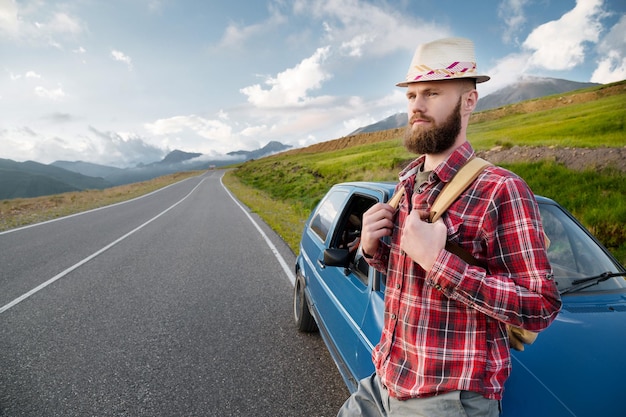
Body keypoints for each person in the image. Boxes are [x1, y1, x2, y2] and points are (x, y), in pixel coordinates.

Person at [336, 37, 562, 417]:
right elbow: (410, 281)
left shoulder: (500, 190)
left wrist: (438, 261)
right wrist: (374, 251)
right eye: (411, 95)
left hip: (447, 401)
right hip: (385, 381)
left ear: (468, 101)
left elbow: (540, 306)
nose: (417, 106)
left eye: (432, 93)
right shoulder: (406, 182)